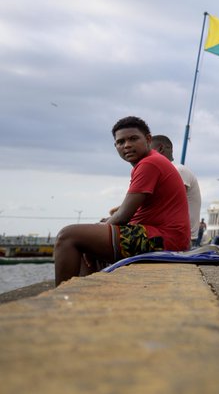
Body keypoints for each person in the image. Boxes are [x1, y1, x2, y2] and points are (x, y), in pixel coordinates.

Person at [53, 116, 191, 285]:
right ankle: (87, 294)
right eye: (120, 142)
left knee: (67, 236)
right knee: (89, 234)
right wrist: (96, 231)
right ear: (115, 146)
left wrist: (96, 231)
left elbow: (122, 216)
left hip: (164, 239)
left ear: (148, 139)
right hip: (167, 237)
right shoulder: (150, 161)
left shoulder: (150, 164)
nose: (127, 145)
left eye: (133, 139)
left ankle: (60, 299)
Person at [150, 134, 202, 243]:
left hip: (182, 237)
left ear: (160, 149)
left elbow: (168, 204)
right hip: (175, 233)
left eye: (148, 150)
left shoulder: (177, 170)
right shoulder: (170, 171)